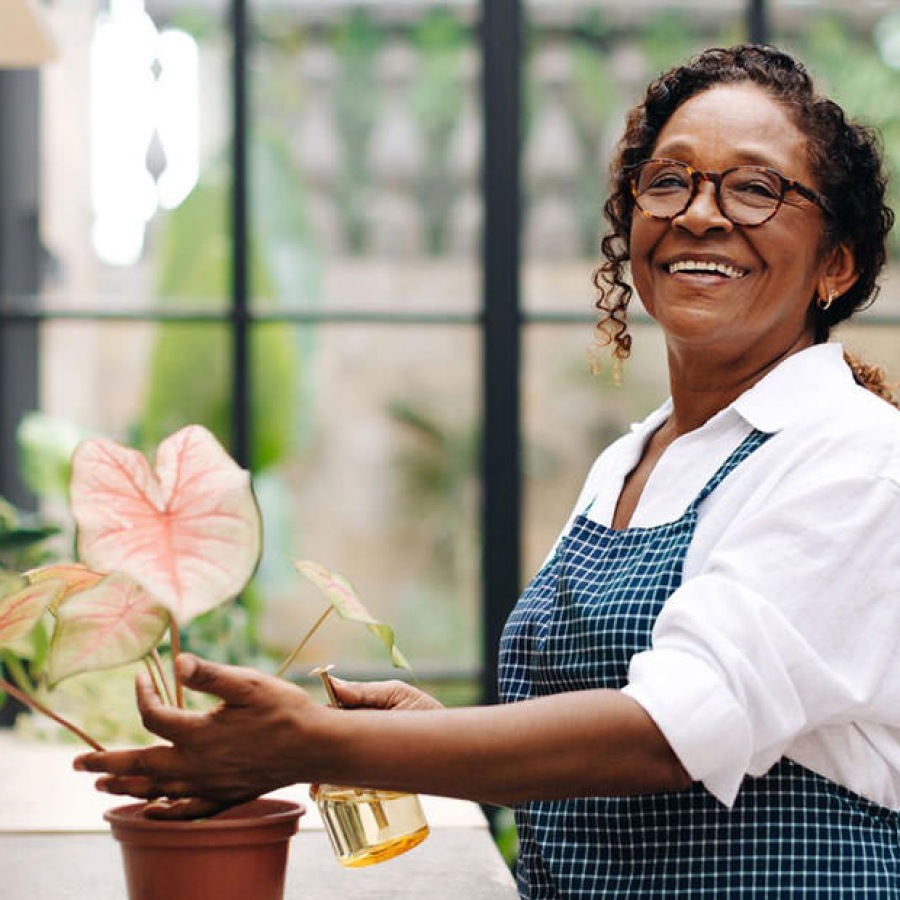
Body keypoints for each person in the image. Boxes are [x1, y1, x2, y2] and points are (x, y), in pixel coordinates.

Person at [75, 44, 900, 897]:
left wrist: (314, 743)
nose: (699, 213)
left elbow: (662, 735)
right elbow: (599, 734)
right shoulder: (635, 456)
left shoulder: (853, 457)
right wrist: (432, 735)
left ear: (836, 263)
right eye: (669, 180)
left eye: (756, 187)